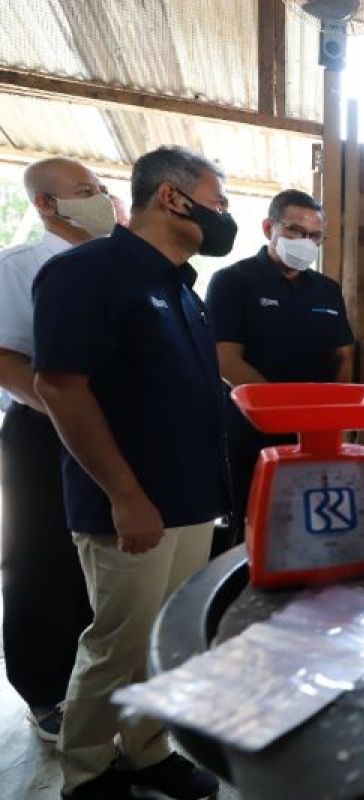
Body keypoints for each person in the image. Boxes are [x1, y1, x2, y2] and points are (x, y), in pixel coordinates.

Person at [33, 145, 232, 800]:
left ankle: (147, 754)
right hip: (131, 507)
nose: (223, 214)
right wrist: (124, 495)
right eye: (218, 199)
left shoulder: (182, 289)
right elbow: (61, 386)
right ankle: (86, 774)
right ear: (174, 197)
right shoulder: (92, 272)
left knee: (166, 639)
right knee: (117, 646)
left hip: (190, 500)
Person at [0, 158, 118, 744]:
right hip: (45, 433)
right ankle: (46, 691)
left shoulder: (118, 269)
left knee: (103, 555)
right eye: (82, 192)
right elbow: (8, 361)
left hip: (115, 432)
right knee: (42, 561)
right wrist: (73, 413)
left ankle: (102, 681)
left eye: (100, 190)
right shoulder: (17, 269)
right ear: (46, 205)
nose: (98, 200)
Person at [204, 189, 354, 552]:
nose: (306, 242)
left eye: (315, 235)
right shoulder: (232, 282)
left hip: (318, 435)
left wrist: (337, 421)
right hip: (252, 434)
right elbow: (226, 360)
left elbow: (345, 356)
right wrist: (285, 411)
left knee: (316, 524)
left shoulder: (327, 291)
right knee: (255, 529)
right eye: (295, 231)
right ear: (269, 227)